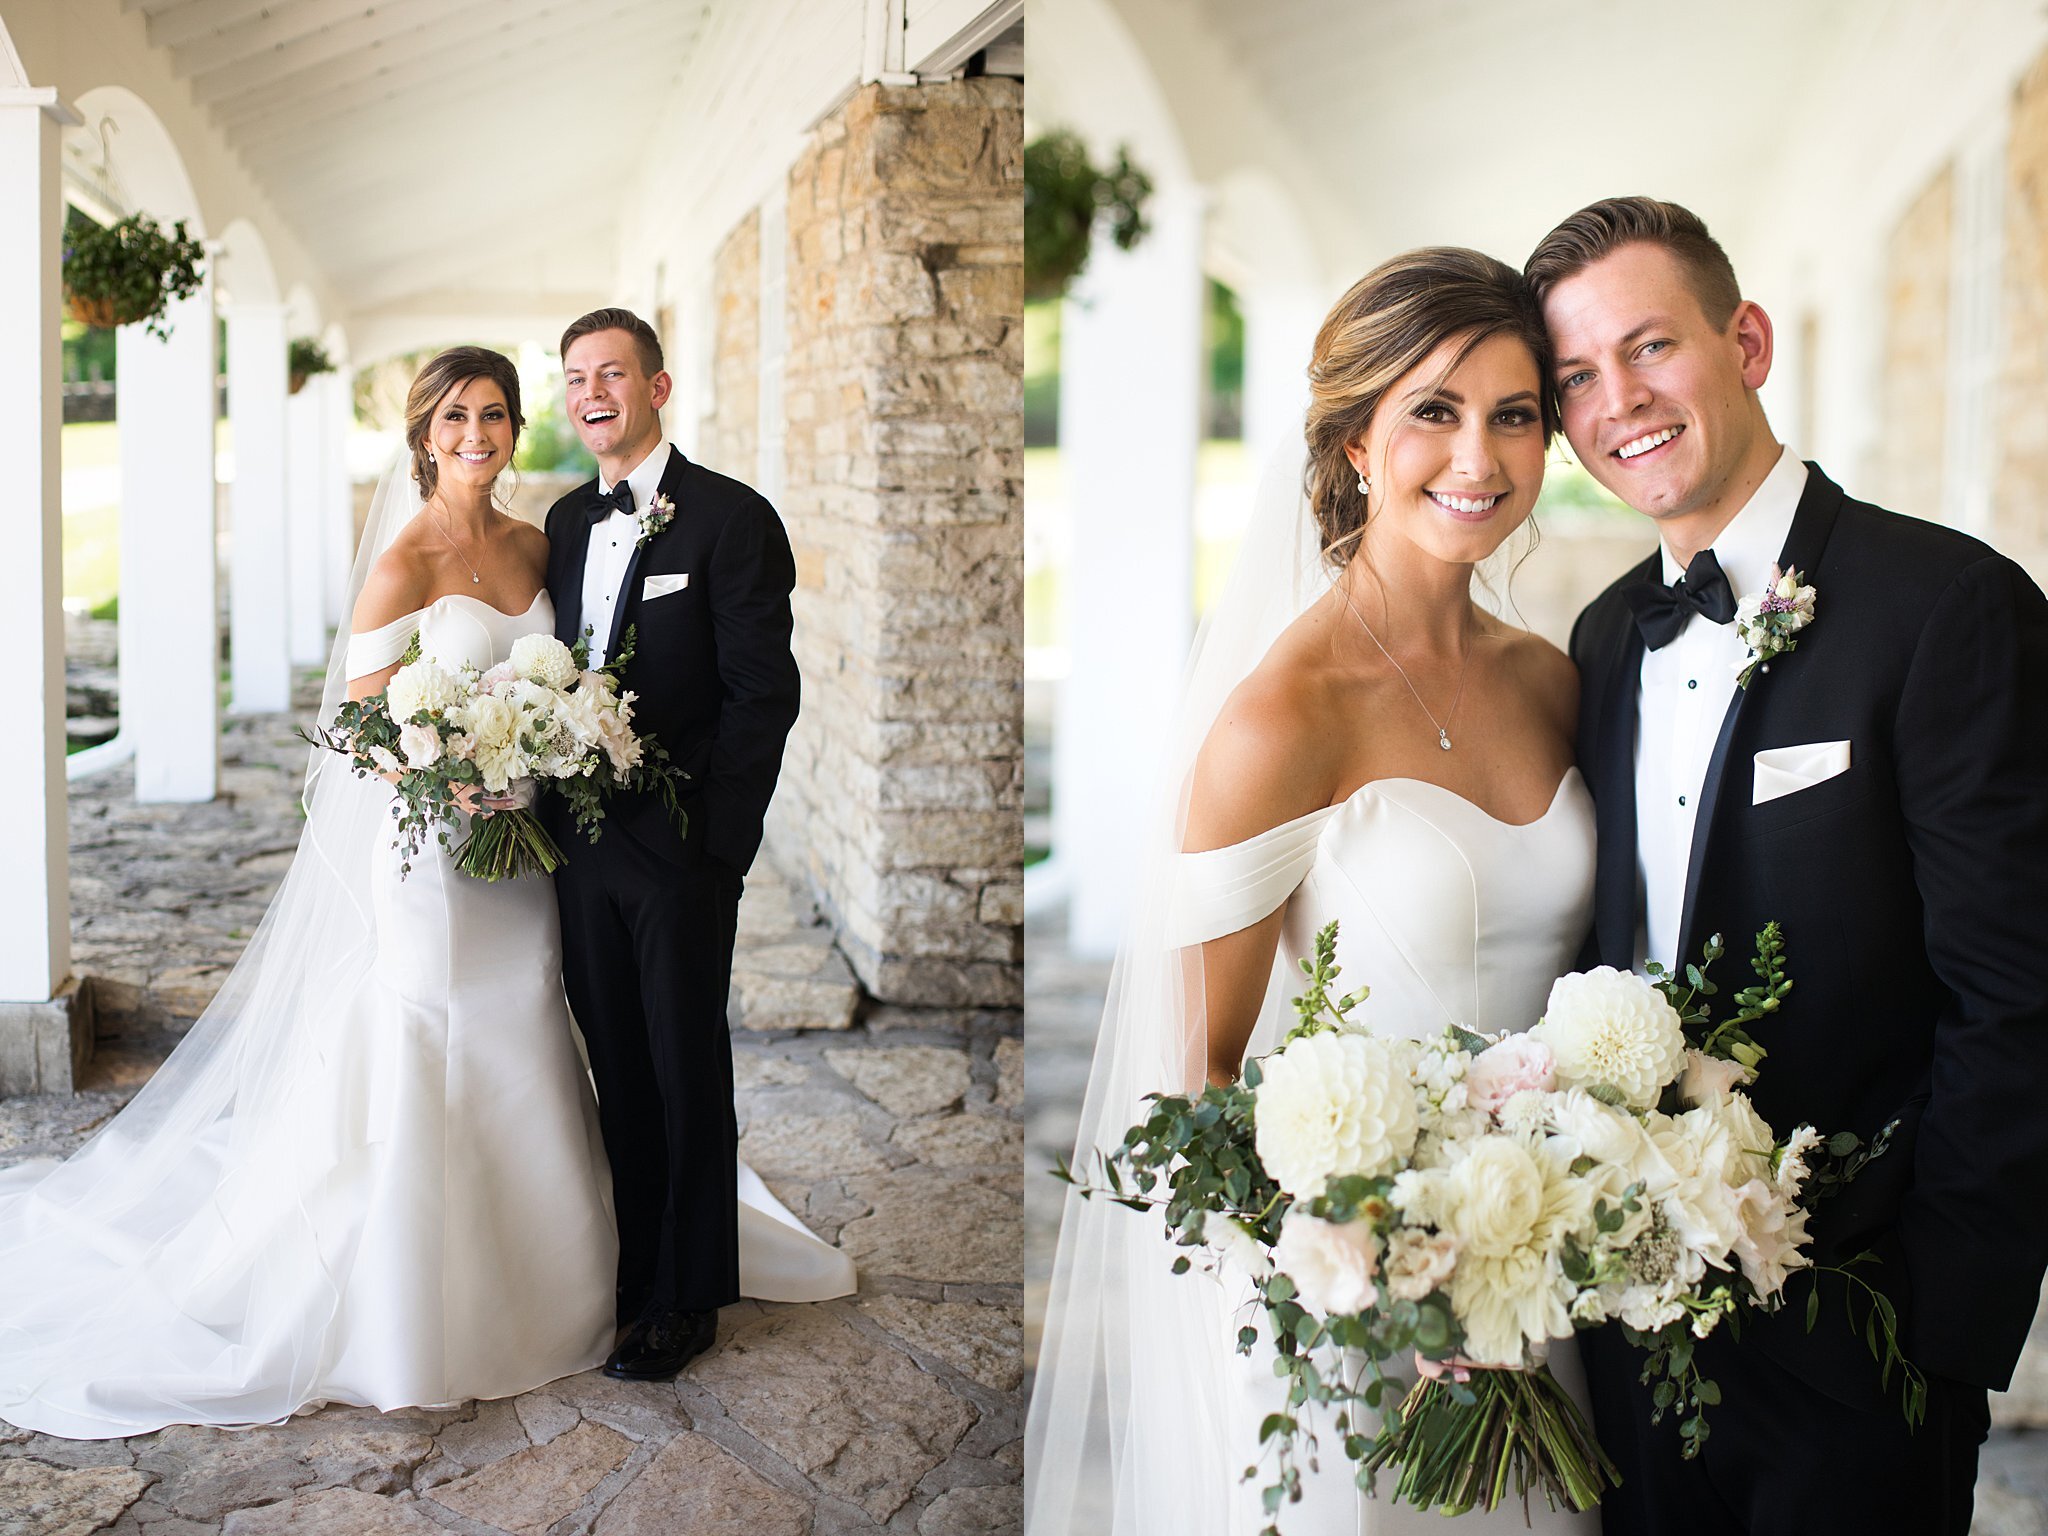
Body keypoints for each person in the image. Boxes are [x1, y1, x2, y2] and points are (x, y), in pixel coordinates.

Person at [1027, 249, 1599, 1535]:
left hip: (1543, 1261)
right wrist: (1378, 1274)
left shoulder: (1549, 680)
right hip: (1359, 1313)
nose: (1479, 457)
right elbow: (1202, 1075)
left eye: (1513, 414)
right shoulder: (1278, 717)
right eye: (1433, 413)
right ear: (1352, 442)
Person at [1534, 196, 2048, 1536]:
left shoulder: (1947, 609)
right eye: (1579, 377)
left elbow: (2020, 991)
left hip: (1858, 1336)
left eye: (1650, 348)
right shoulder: (1600, 642)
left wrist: (1939, 1326)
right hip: (1628, 1330)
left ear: (1747, 341)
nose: (1618, 402)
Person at [0, 347, 617, 1436]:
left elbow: (554, 674)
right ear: (424, 434)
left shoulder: (534, 544)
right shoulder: (402, 559)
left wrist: (539, 748)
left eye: (494, 416)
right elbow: (358, 724)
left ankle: (550, 1278)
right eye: (455, 417)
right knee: (432, 1034)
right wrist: (451, 769)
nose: (476, 435)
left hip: (519, 852)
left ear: (515, 429)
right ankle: (410, 1311)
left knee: (525, 1018)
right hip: (429, 854)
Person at [539, 307, 846, 1385]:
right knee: (615, 1064)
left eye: (612, 374)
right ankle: (634, 1271)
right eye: (576, 377)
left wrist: (717, 850)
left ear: (656, 389)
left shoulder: (730, 519)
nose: (592, 394)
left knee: (682, 1065)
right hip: (578, 845)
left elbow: (763, 696)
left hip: (679, 851)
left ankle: (687, 1297)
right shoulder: (567, 520)